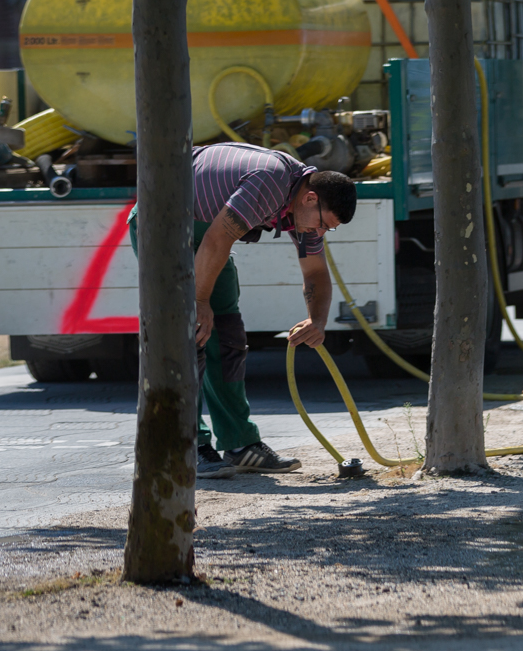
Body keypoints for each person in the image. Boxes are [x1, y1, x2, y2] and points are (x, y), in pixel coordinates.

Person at [128, 141, 358, 479]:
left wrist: (317, 320)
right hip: (163, 224)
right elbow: (218, 241)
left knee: (227, 335)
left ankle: (240, 445)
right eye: (323, 224)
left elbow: (316, 273)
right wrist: (200, 302)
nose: (319, 232)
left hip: (205, 229)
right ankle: (187, 446)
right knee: (189, 335)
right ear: (311, 198)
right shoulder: (271, 183)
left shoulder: (304, 205)